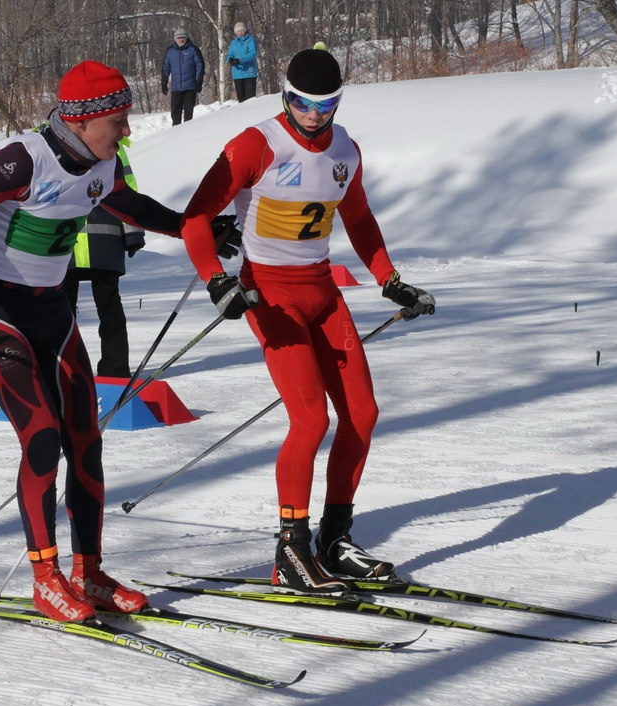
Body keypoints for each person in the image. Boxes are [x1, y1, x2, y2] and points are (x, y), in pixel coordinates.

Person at [0, 61, 236, 622]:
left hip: (54, 313)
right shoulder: (23, 160)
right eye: (118, 119)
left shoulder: (102, 161)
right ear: (82, 119)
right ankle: (46, 578)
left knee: (86, 439)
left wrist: (201, 227)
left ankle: (88, 573)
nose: (127, 129)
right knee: (42, 439)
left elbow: (132, 207)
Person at [180, 49, 436, 594]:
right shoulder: (257, 144)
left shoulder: (345, 149)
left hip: (321, 292)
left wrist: (389, 278)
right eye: (303, 103)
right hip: (270, 294)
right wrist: (215, 279)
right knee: (310, 420)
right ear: (284, 95)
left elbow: (360, 217)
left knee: (362, 415)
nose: (315, 115)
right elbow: (196, 217)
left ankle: (334, 541)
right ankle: (289, 551)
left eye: (326, 105)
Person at [62, 137, 143, 379]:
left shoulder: (110, 144)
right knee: (64, 314)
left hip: (92, 242)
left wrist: (133, 231)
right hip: (74, 245)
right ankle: (67, 368)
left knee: (107, 311)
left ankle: (113, 371)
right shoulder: (47, 142)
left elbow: (128, 190)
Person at [162, 28, 205, 125]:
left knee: (188, 114)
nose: (181, 40)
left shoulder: (193, 49)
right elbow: (165, 67)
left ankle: (187, 134)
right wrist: (164, 82)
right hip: (176, 88)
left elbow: (200, 66)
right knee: (175, 114)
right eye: (179, 38)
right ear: (175, 39)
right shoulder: (170, 51)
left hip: (190, 87)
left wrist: (198, 82)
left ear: (186, 38)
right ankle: (175, 133)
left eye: (183, 37)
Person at [226, 21, 258, 103]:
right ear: (235, 32)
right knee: (241, 100)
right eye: (238, 31)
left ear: (245, 31)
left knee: (250, 99)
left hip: (249, 73)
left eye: (242, 30)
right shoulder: (233, 43)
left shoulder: (250, 40)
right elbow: (230, 54)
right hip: (237, 74)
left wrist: (239, 60)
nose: (240, 33)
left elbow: (252, 54)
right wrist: (230, 59)